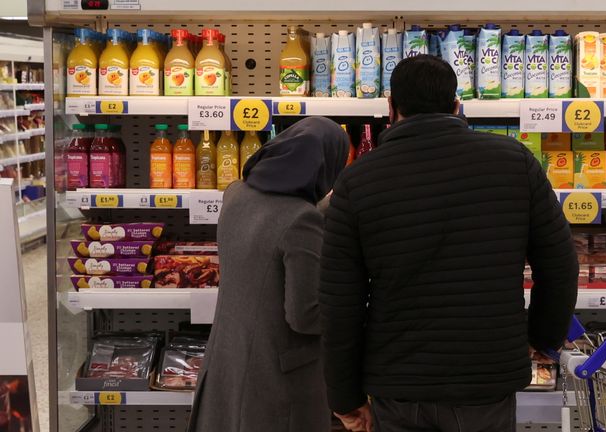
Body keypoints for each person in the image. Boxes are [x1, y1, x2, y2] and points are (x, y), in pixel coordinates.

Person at [319, 55, 579, 432]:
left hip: (399, 382)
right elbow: (559, 265)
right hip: (486, 376)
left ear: (391, 108)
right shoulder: (514, 162)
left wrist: (344, 396)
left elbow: (339, 302)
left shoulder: (357, 180)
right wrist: (541, 338)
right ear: (457, 106)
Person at [188, 117, 350, 432]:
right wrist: (358, 307)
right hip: (277, 382)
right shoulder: (302, 220)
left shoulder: (235, 195)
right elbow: (305, 316)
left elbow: (267, 234)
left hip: (227, 364)